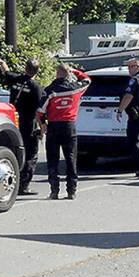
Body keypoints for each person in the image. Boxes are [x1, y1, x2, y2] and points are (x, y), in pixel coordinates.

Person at [37, 64, 91, 200]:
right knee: (71, 159)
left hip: (54, 127)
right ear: (68, 74)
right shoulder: (76, 88)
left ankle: (54, 191)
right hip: (69, 127)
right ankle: (71, 191)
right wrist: (75, 71)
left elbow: (40, 111)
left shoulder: (49, 90)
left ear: (57, 73)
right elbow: (87, 79)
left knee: (53, 160)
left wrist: (42, 124)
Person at [0, 57, 45, 195]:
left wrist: (2, 62)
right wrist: (42, 129)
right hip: (28, 125)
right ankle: (23, 186)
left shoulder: (16, 79)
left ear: (25, 68)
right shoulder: (36, 88)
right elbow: (40, 110)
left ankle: (11, 180)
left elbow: (6, 72)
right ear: (37, 71)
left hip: (13, 121)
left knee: (13, 151)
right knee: (31, 154)